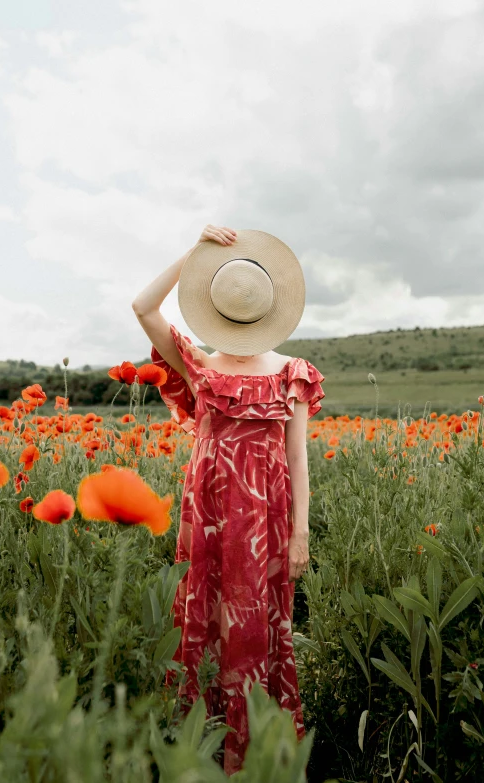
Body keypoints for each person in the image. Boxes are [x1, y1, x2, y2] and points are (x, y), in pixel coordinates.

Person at [131, 224, 325, 776]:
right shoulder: (199, 364)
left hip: (267, 518)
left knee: (258, 624)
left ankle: (254, 754)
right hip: (208, 515)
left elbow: (298, 460)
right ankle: (199, 750)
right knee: (203, 616)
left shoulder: (292, 374)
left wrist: (300, 535)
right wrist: (192, 254)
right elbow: (143, 307)